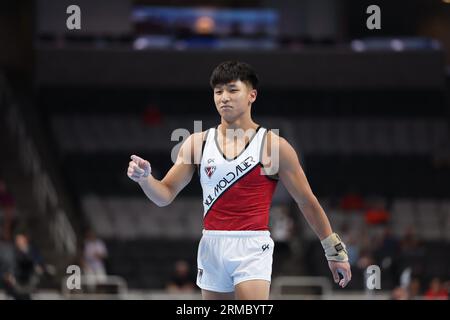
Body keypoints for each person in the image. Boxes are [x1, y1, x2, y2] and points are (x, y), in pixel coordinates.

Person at [127, 61, 351, 300]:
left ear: (251, 95)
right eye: (218, 91)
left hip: (252, 246)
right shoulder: (197, 143)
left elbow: (307, 202)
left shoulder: (273, 146)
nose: (224, 97)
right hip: (212, 244)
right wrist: (146, 179)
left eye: (233, 90)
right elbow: (165, 194)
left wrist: (334, 251)